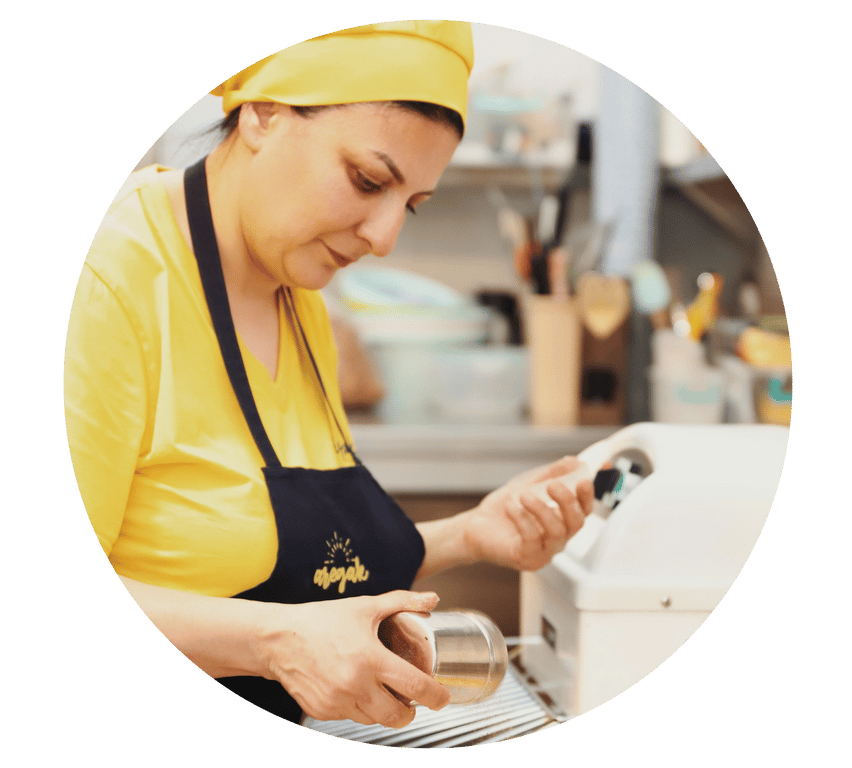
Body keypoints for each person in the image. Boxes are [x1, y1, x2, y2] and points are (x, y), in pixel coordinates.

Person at [62, 19, 594, 731]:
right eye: (368, 180)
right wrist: (278, 646)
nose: (384, 237)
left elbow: (295, 562)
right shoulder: (105, 276)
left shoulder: (300, 304)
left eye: (410, 205)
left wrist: (469, 534)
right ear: (263, 113)